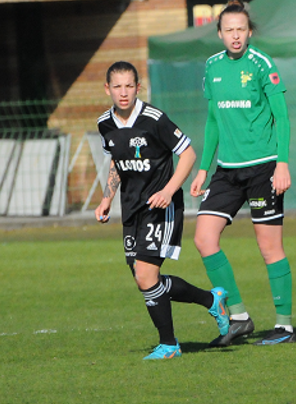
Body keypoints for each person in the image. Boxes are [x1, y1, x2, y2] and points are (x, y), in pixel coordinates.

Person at [94, 61, 231, 359]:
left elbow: (188, 154)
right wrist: (107, 198)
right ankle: (212, 300)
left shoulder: (154, 118)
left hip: (161, 207)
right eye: (117, 86)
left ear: (138, 87)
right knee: (144, 279)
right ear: (107, 89)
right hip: (131, 209)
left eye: (129, 86)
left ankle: (169, 344)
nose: (123, 92)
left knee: (146, 276)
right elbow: (117, 161)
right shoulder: (104, 123)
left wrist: (168, 191)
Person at [190, 0, 296, 346]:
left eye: (241, 30)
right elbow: (214, 121)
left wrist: (282, 163)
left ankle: (284, 325)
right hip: (227, 170)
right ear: (219, 34)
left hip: (264, 167)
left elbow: (282, 116)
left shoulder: (262, 64)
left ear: (250, 32)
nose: (235, 36)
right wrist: (204, 168)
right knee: (204, 239)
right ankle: (238, 317)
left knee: (269, 249)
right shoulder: (212, 67)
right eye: (229, 30)